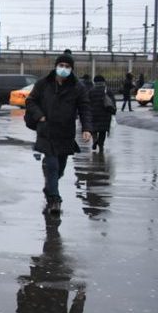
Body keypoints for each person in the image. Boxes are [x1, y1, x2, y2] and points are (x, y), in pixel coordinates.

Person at [25, 50, 92, 215]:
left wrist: (87, 128)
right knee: (53, 165)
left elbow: (84, 108)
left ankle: (49, 186)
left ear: (72, 69)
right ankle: (55, 200)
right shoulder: (43, 83)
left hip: (65, 133)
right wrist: (39, 116)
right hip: (46, 131)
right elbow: (30, 101)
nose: (64, 68)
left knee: (59, 168)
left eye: (67, 66)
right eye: (61, 65)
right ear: (55, 67)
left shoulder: (78, 87)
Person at [87, 75, 116, 152]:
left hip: (94, 114)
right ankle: (101, 145)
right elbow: (112, 102)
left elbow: (87, 103)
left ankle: (95, 140)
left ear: (95, 82)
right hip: (105, 114)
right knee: (103, 131)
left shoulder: (91, 91)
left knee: (94, 129)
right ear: (104, 81)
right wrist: (113, 111)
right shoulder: (107, 91)